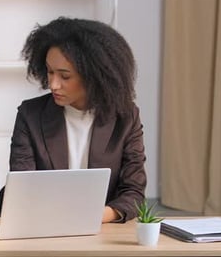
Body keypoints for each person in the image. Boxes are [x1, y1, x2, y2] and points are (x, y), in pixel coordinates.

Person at [8, 17, 146, 223]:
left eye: (65, 76)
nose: (53, 84)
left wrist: (93, 216)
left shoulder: (126, 117)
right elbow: (23, 186)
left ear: (95, 76)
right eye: (50, 71)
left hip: (102, 228)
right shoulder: (30, 114)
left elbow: (133, 192)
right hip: (42, 224)